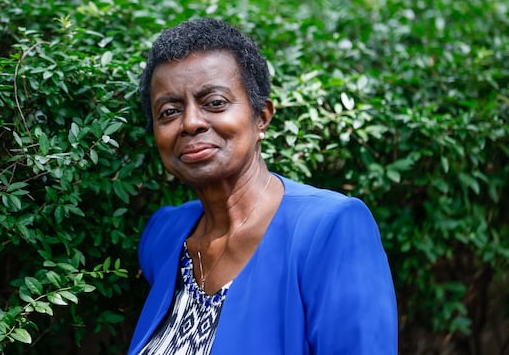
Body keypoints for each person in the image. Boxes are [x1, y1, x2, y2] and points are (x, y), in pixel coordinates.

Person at [128, 18, 397, 354]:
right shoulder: (164, 235)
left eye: (214, 103)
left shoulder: (330, 228)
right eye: (169, 111)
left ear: (262, 117)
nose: (191, 122)